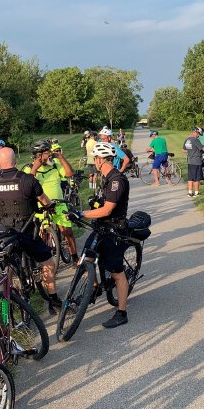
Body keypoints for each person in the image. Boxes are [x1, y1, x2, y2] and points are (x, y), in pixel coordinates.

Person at [0, 147, 63, 315]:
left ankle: (7, 307)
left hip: (6, 233)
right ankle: (54, 300)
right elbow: (44, 200)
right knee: (47, 262)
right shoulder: (27, 180)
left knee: (7, 268)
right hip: (27, 231)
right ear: (15, 161)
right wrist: (50, 207)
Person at [75, 141, 132, 328]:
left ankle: (122, 312)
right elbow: (103, 203)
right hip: (101, 228)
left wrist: (82, 213)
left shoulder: (117, 180)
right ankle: (94, 285)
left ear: (100, 160)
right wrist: (95, 202)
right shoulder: (105, 178)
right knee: (85, 259)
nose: (95, 162)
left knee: (117, 273)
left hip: (114, 230)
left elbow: (108, 210)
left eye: (95, 159)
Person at [26, 139, 79, 263]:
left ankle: (75, 258)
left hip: (59, 204)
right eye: (47, 152)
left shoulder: (54, 164)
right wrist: (35, 168)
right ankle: (45, 260)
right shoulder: (29, 169)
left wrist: (60, 157)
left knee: (68, 232)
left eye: (50, 151)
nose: (50, 154)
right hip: (41, 206)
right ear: (38, 156)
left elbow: (70, 173)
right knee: (41, 235)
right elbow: (28, 185)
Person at [183, 127, 204, 197]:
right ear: (195, 132)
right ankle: (196, 193)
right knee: (197, 178)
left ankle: (190, 192)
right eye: (198, 134)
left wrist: (190, 152)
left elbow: (183, 149)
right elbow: (202, 149)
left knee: (190, 177)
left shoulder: (187, 139)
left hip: (190, 161)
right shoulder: (196, 140)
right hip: (196, 161)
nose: (198, 135)